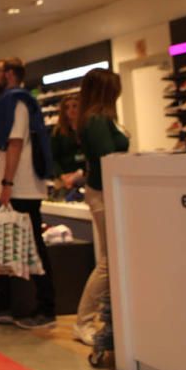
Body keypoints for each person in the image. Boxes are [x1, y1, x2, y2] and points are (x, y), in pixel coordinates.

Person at [0, 57, 56, 330]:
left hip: (21, 186)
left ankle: (47, 307)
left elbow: (15, 143)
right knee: (6, 241)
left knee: (32, 245)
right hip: (12, 184)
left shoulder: (18, 102)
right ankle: (5, 302)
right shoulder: (12, 101)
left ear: (9, 74)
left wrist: (8, 183)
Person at [72, 68, 129, 346]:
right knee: (108, 261)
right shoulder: (96, 121)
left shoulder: (100, 120)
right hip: (104, 194)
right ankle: (84, 321)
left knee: (112, 259)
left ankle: (102, 317)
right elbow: (108, 159)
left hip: (107, 193)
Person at [50, 95, 85, 195]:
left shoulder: (87, 129)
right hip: (64, 178)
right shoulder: (58, 132)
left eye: (75, 106)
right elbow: (53, 158)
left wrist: (80, 173)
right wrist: (62, 175)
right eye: (67, 107)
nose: (71, 110)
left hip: (84, 175)